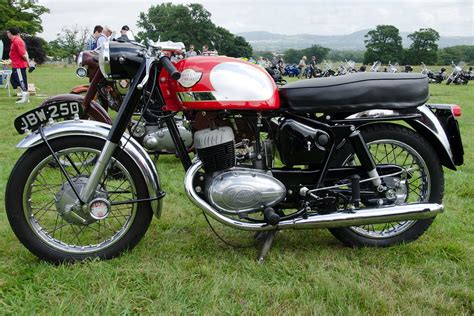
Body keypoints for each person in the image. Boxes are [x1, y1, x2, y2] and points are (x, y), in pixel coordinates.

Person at [7, 27, 29, 103]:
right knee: (13, 81)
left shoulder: (17, 41)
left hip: (19, 66)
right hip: (15, 65)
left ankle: (25, 98)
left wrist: (28, 63)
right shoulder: (14, 41)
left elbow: (23, 54)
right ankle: (24, 95)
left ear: (11, 33)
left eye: (8, 32)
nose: (7, 34)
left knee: (21, 82)